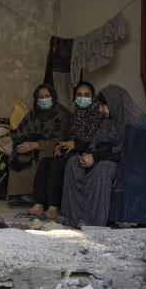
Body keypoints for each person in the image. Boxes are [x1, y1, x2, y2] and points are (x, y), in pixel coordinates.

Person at [59, 84, 146, 227]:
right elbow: (96, 141)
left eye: (102, 106)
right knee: (73, 163)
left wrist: (95, 157)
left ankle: (93, 222)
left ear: (113, 102)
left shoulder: (135, 118)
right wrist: (89, 154)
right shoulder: (110, 118)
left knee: (102, 169)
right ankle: (72, 217)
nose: (100, 110)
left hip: (123, 161)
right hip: (101, 155)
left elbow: (127, 149)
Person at [29, 81, 104, 219]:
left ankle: (53, 208)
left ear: (93, 96)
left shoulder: (98, 114)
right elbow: (72, 137)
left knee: (56, 165)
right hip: (75, 149)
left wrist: (76, 145)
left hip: (88, 152)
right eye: (79, 95)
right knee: (46, 162)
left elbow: (95, 139)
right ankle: (39, 204)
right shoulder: (77, 114)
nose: (83, 98)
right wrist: (62, 148)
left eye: (86, 95)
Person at [7, 84, 71, 200]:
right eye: (40, 97)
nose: (44, 99)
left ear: (53, 97)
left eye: (47, 96)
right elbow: (22, 130)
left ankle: (37, 195)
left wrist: (36, 145)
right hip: (33, 144)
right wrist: (12, 138)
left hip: (53, 146)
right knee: (18, 153)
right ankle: (20, 195)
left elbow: (61, 139)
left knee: (42, 156)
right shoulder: (33, 112)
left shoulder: (63, 114)